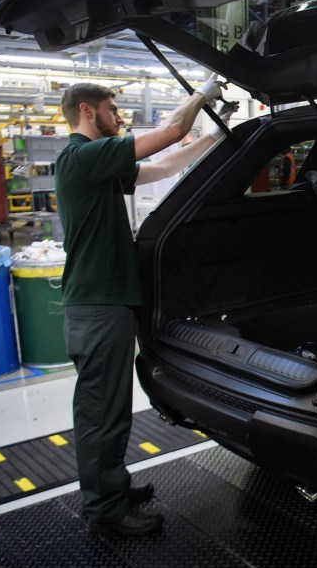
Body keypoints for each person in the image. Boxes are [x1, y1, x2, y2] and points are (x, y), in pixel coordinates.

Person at [56, 77, 232, 536]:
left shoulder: (98, 164)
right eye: (112, 109)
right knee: (101, 414)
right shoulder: (81, 156)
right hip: (97, 307)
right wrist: (203, 95)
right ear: (88, 111)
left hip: (106, 303)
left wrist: (216, 136)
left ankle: (110, 487)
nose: (120, 117)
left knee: (109, 409)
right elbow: (172, 131)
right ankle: (106, 510)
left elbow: (164, 165)